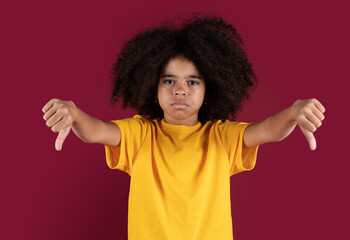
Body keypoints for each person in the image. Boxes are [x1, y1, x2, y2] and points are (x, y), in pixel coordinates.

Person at [42, 14, 325, 240]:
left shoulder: (221, 136)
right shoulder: (140, 134)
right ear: (153, 89)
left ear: (208, 90)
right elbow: (98, 131)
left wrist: (292, 113)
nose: (180, 90)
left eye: (192, 81)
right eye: (168, 81)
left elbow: (265, 130)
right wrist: (75, 115)